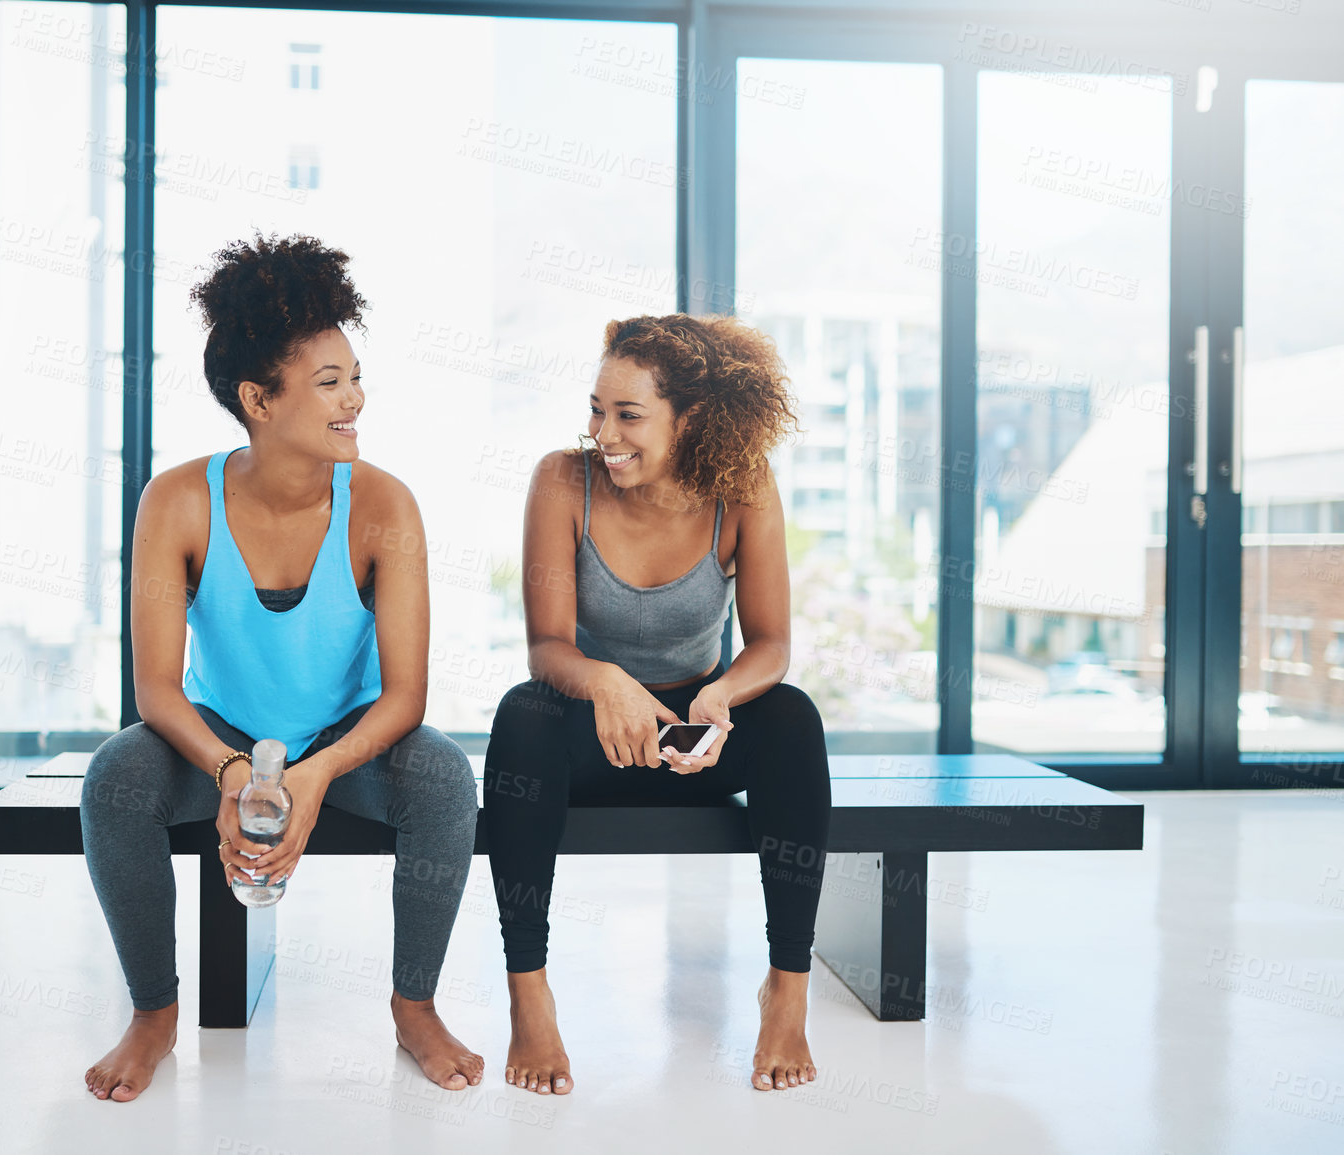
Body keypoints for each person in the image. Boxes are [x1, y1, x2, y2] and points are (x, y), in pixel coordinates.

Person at [79, 234, 482, 1101]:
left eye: (354, 376)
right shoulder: (178, 499)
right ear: (259, 400)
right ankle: (153, 1012)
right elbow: (155, 688)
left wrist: (315, 772)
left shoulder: (383, 502)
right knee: (114, 779)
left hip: (348, 739)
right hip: (219, 733)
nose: (355, 400)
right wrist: (231, 771)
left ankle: (414, 1004)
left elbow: (407, 693)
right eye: (329, 383)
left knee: (446, 782)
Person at [483, 313, 832, 1095]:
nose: (604, 432)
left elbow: (771, 644)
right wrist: (606, 681)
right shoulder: (560, 480)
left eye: (628, 415)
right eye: (596, 409)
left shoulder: (743, 487)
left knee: (791, 716)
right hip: (592, 735)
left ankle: (787, 986)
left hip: (696, 740)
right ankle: (528, 993)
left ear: (692, 419)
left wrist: (719, 695)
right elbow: (547, 646)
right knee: (521, 713)